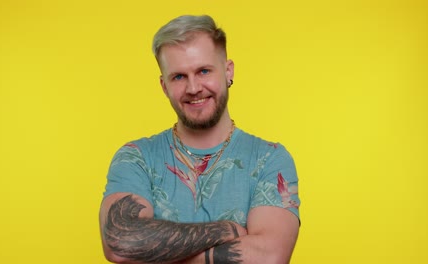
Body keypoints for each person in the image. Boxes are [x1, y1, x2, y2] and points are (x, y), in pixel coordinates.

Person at [99, 14, 300, 264]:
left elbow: (269, 256)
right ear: (164, 86)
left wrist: (160, 251)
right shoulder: (136, 157)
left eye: (203, 71)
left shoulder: (270, 159)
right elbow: (122, 243)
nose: (193, 88)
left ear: (228, 72)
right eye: (179, 77)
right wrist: (226, 230)